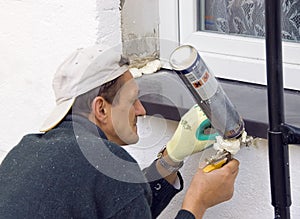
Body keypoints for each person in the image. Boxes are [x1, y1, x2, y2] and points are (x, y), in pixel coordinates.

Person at [0, 44, 239, 219]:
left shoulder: (25, 151)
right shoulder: (104, 162)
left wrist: (172, 157)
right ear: (101, 108)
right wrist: (197, 201)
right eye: (133, 100)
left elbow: (123, 208)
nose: (142, 110)